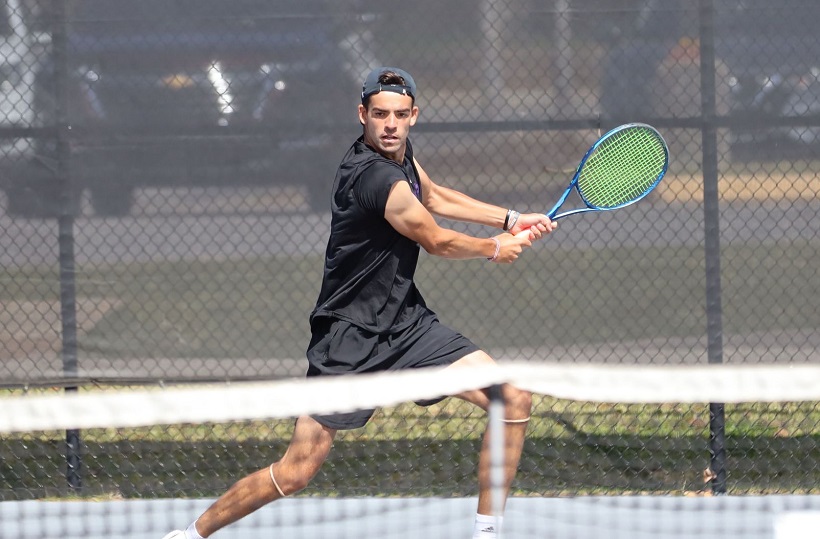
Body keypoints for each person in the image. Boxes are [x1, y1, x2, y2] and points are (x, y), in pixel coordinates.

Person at [163, 67, 557, 539]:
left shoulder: (401, 157)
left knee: (510, 397)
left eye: (398, 115)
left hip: (407, 326)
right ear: (362, 115)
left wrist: (510, 217)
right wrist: (494, 247)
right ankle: (189, 535)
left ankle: (487, 532)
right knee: (296, 471)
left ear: (413, 116)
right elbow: (434, 238)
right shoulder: (372, 177)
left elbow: (431, 195)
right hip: (348, 337)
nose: (389, 124)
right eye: (379, 115)